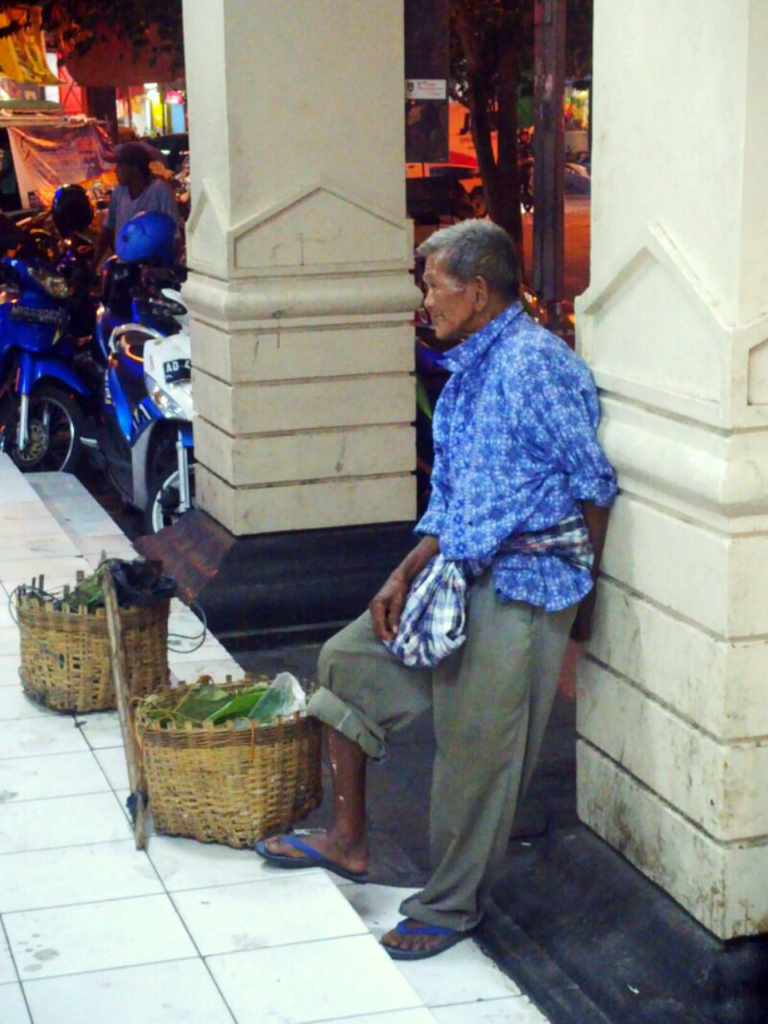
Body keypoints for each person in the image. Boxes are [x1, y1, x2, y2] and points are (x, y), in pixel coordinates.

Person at [256, 220, 618, 960]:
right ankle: (349, 839)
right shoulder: (468, 368)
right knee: (346, 662)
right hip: (454, 569)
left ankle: (451, 906)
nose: (425, 299)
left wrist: (582, 597)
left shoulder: (534, 365)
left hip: (524, 581)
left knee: (475, 750)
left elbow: (594, 484)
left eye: (434, 286)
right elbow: (452, 499)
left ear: (478, 292)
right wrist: (401, 572)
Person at [93, 142, 179, 266]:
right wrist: (94, 263)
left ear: (134, 169)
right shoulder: (119, 190)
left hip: (150, 269)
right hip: (123, 264)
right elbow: (108, 227)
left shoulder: (160, 191)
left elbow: (175, 232)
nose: (115, 171)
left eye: (120, 166)